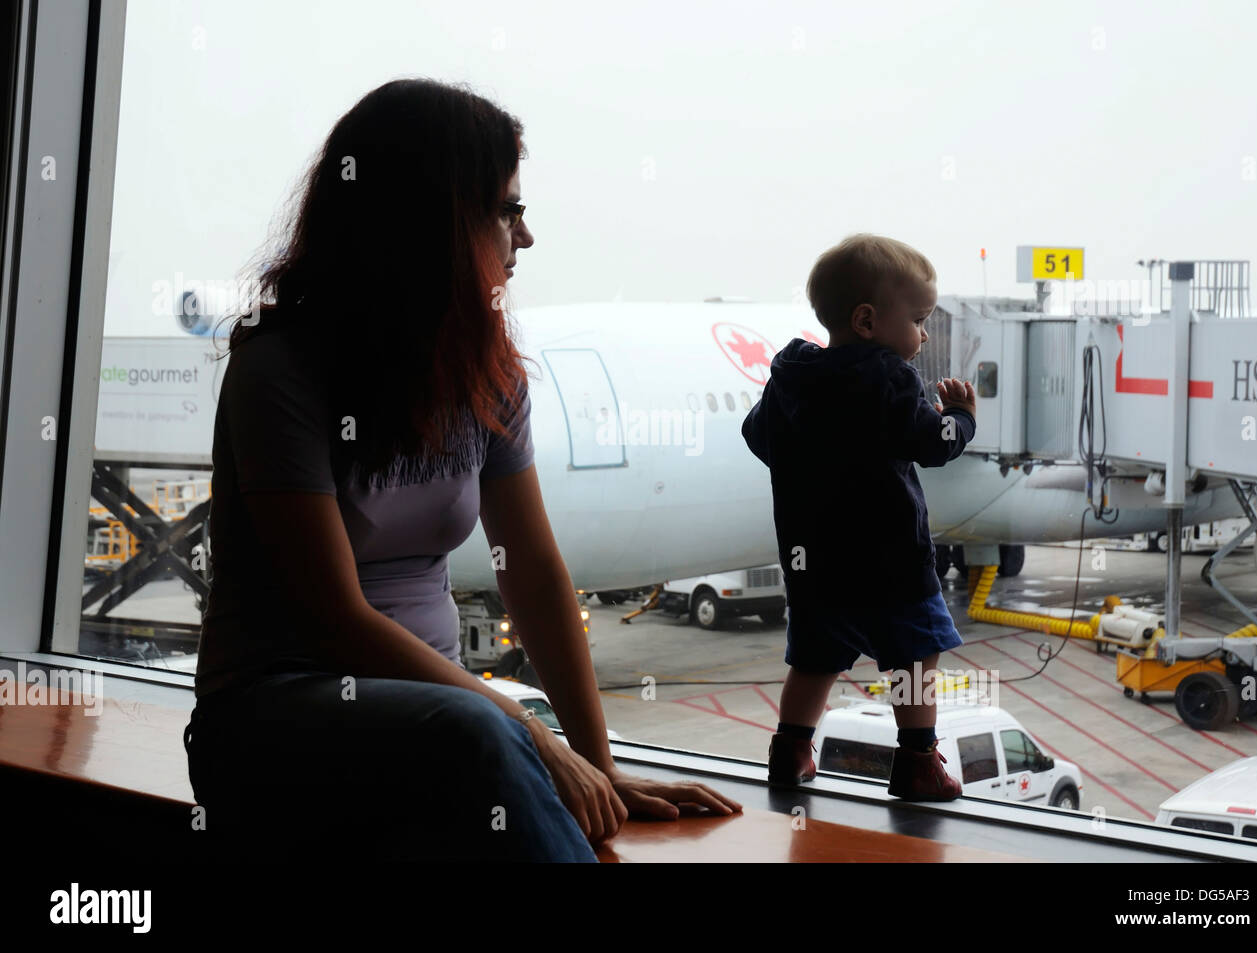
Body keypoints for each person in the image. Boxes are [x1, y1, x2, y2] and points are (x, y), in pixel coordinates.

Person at [183, 78, 742, 862]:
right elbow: (333, 620)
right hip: (272, 722)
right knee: (489, 723)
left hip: (431, 719)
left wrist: (603, 767)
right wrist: (533, 737)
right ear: (433, 220)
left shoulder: (486, 371)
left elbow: (537, 573)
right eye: (509, 210)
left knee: (486, 727)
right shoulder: (279, 371)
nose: (527, 237)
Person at [740, 233, 976, 801]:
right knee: (913, 656)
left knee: (814, 660)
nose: (923, 335)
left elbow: (756, 433)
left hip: (815, 565)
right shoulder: (886, 377)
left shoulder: (792, 377)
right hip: (890, 563)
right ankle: (917, 763)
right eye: (919, 320)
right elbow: (932, 443)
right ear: (867, 321)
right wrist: (962, 418)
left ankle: (790, 751)